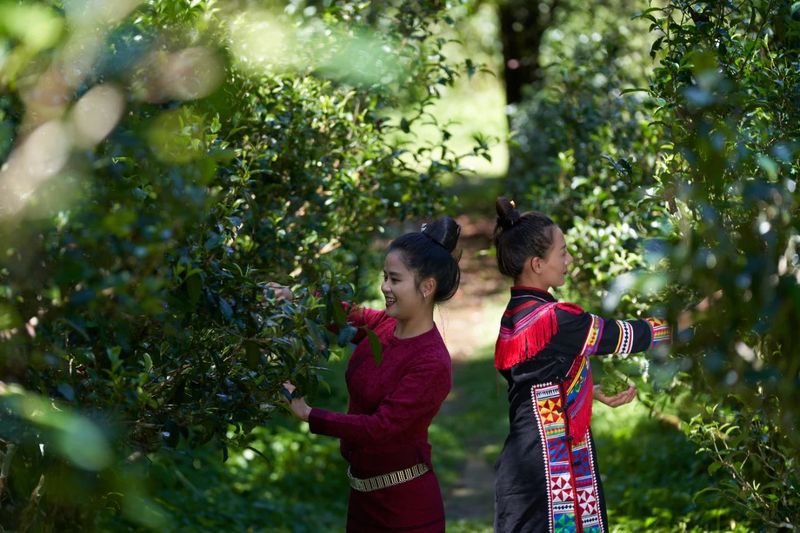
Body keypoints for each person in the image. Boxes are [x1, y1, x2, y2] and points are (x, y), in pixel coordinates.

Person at [491, 197, 673, 533]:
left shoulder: (515, 313)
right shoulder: (556, 319)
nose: (569, 259)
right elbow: (627, 336)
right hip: (551, 465)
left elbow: (537, 381)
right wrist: (689, 319)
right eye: (562, 252)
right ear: (536, 264)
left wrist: (584, 389)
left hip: (522, 460)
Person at [282, 216, 461, 533]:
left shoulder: (431, 362)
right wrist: (293, 297)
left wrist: (309, 414)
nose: (384, 287)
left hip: (407, 513)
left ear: (427, 287)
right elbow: (345, 315)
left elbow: (383, 427)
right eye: (384, 277)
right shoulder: (386, 325)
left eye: (394, 279)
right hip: (363, 501)